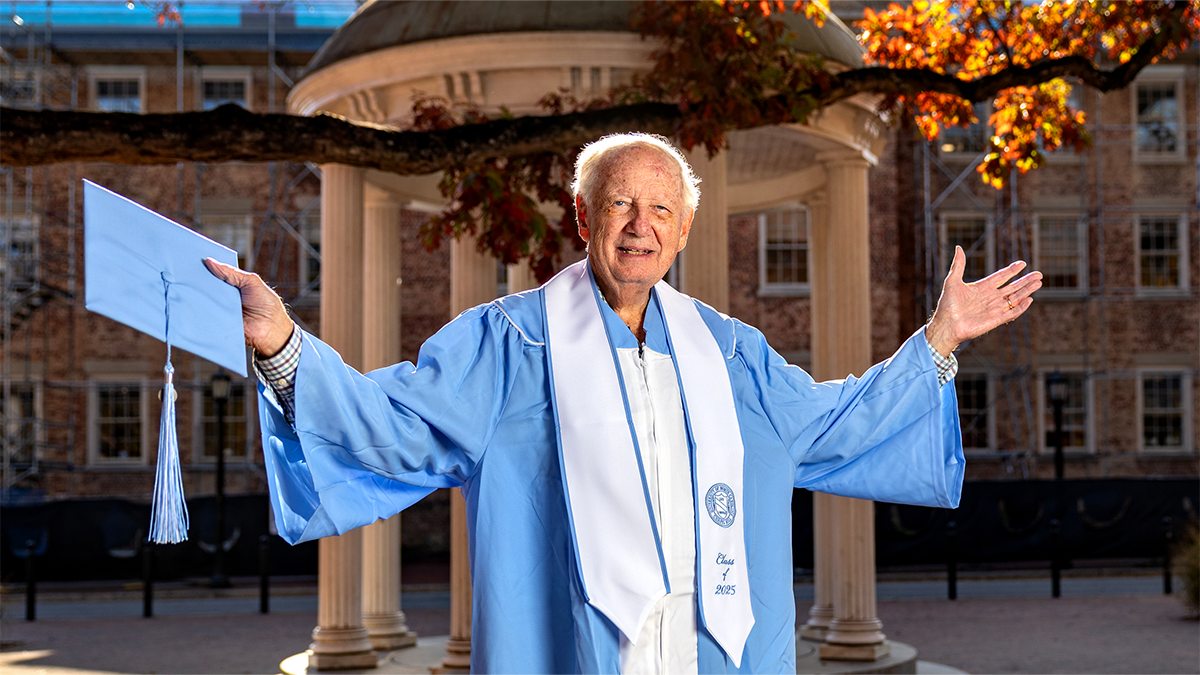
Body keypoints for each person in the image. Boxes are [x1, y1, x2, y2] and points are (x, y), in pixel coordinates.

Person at [206, 133, 1041, 674]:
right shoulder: (507, 345)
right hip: (574, 652)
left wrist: (938, 340)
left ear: (681, 234)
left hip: (715, 653)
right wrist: (283, 343)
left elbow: (832, 423)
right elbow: (391, 426)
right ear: (582, 215)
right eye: (619, 203)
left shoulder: (732, 354)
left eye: (661, 211)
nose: (640, 225)